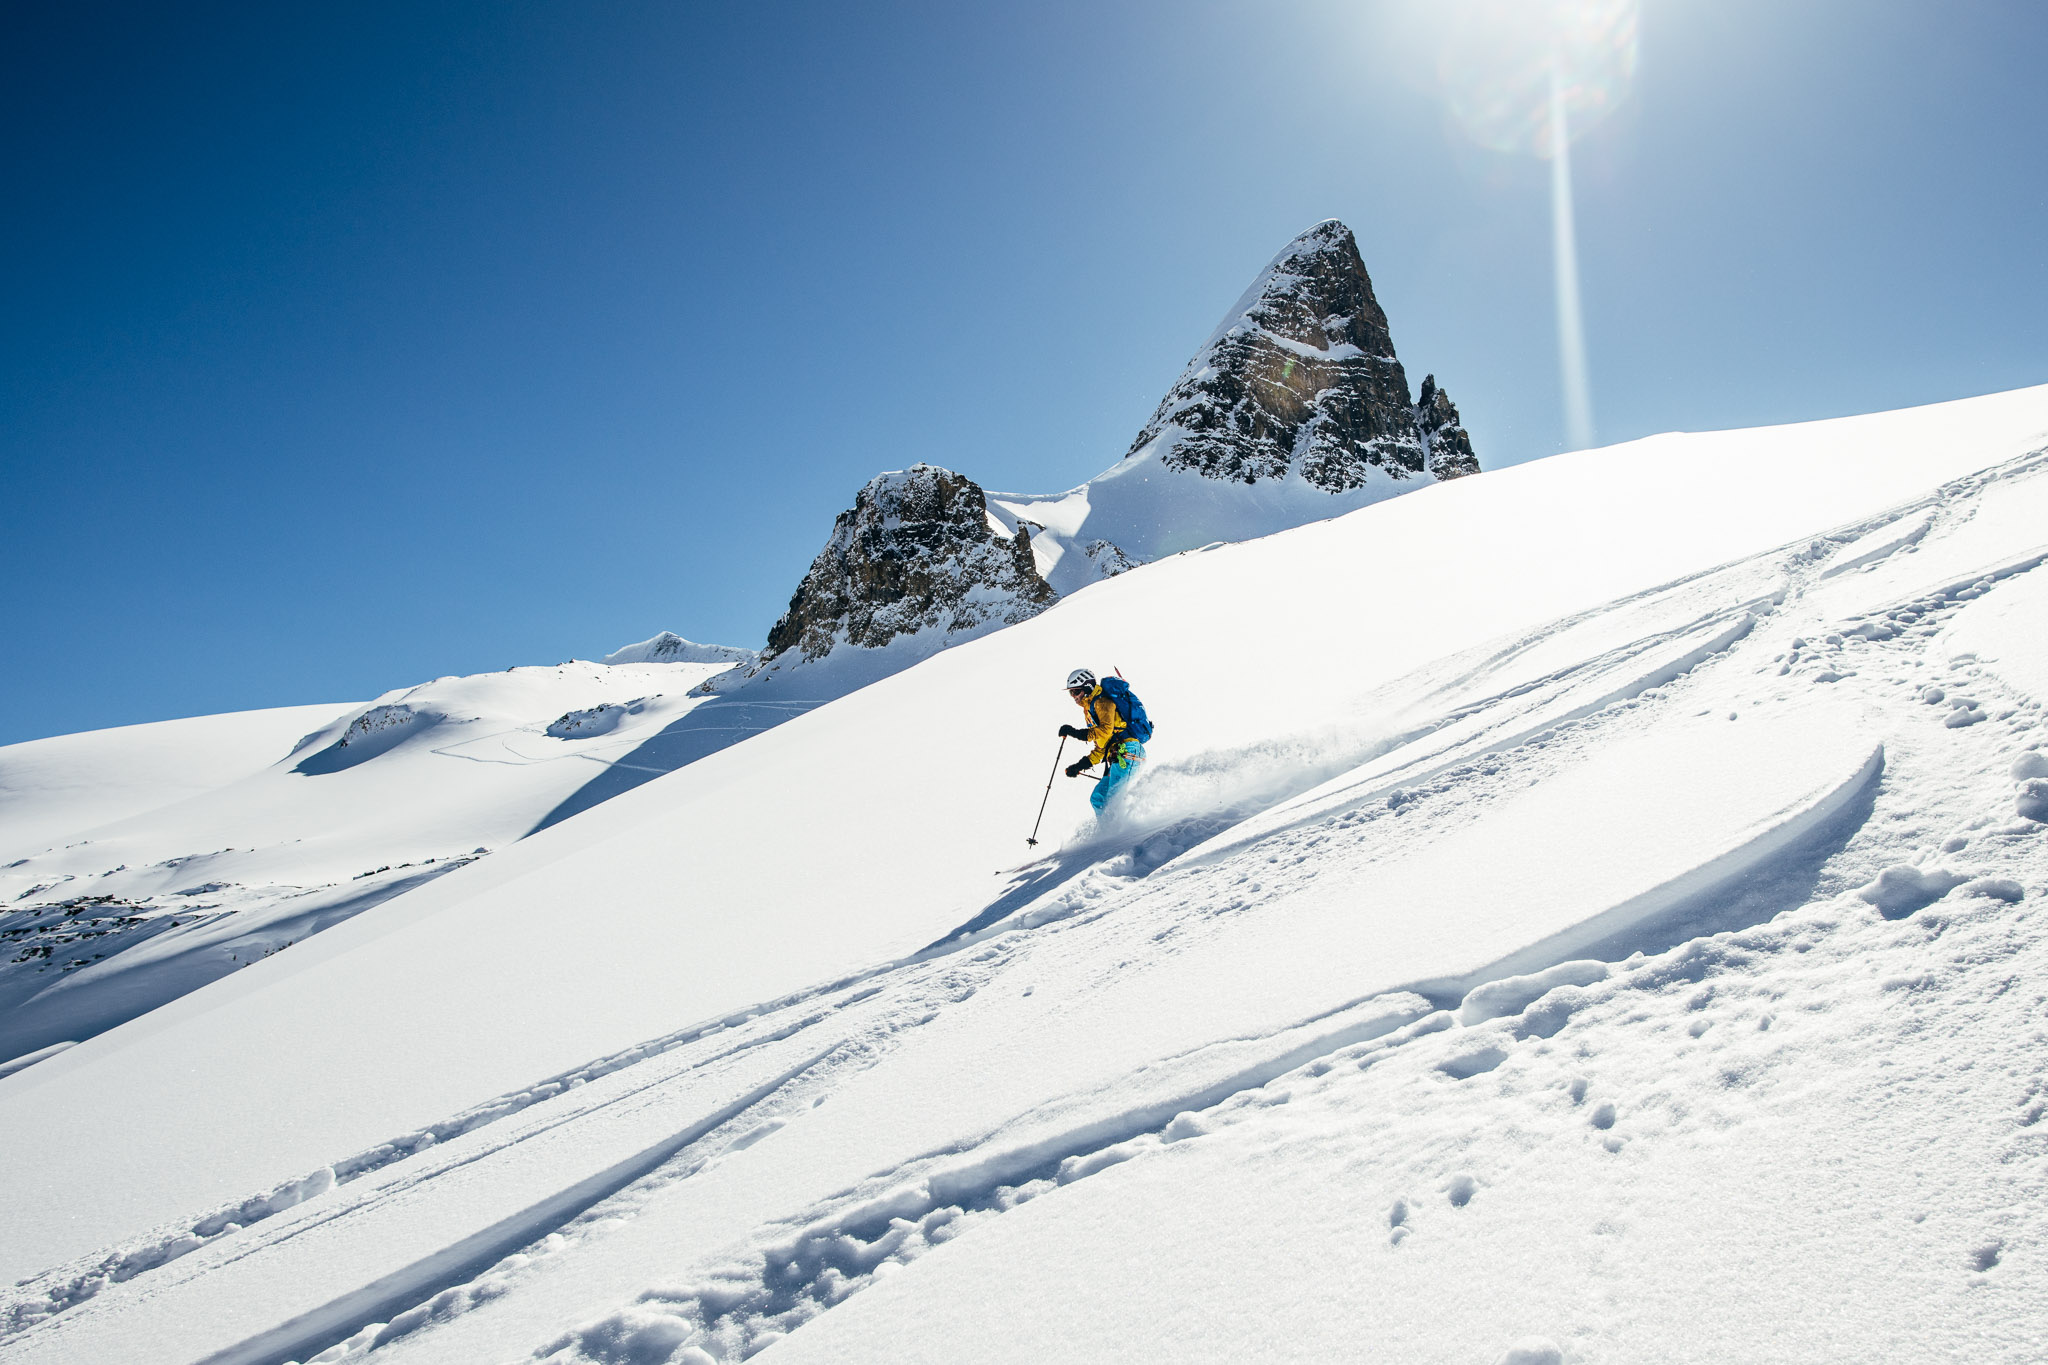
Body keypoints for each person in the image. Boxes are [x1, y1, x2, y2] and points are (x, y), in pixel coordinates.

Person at [1058, 667, 1145, 815]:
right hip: (1117, 755)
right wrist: (1079, 765)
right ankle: (1107, 833)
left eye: (1076, 691)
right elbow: (1101, 747)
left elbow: (1106, 730)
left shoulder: (1102, 702)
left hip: (1129, 750)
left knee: (1113, 800)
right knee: (1097, 799)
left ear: (1087, 687)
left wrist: (1074, 733)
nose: (1073, 696)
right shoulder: (1090, 709)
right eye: (1071, 693)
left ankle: (1125, 834)